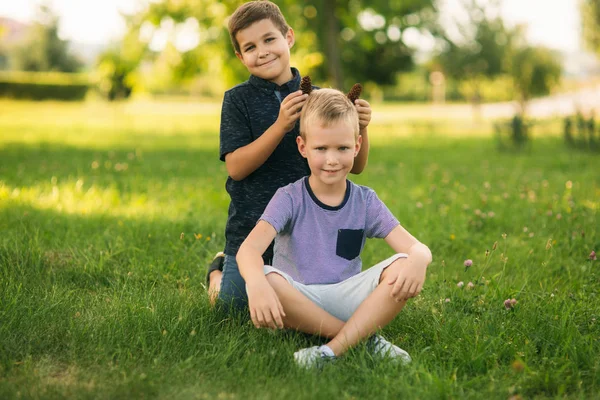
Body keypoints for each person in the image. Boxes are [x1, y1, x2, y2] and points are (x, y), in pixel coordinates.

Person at [237, 88, 432, 368]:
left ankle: (328, 351)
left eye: (342, 148)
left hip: (346, 296)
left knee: (403, 263)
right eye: (321, 149)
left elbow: (415, 247)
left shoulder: (365, 201)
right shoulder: (289, 197)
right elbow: (249, 250)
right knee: (265, 276)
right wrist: (255, 284)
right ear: (303, 147)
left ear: (356, 145)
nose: (332, 159)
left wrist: (420, 259)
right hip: (298, 299)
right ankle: (362, 337)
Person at [207, 0, 372, 309]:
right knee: (233, 308)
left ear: (289, 38)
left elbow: (357, 168)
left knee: (304, 307)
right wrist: (280, 125)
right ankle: (217, 274)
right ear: (241, 56)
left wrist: (361, 128)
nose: (263, 51)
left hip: (308, 235)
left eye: (270, 39)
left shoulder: (321, 99)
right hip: (252, 231)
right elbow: (236, 168)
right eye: (251, 47)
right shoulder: (237, 100)